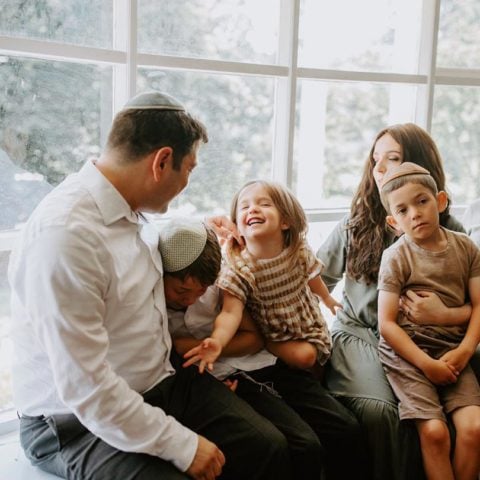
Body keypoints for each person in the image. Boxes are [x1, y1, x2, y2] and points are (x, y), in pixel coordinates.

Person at [8, 91, 293, 480]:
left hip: (160, 382)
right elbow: (85, 386)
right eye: (189, 169)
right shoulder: (67, 235)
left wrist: (217, 236)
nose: (187, 183)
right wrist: (182, 444)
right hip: (73, 421)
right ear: (161, 162)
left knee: (268, 447)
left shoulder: (132, 212)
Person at [316, 122, 480, 480]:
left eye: (393, 158)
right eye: (376, 160)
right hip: (362, 333)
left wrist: (445, 314)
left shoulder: (452, 232)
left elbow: (475, 307)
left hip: (437, 337)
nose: (381, 169)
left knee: (464, 417)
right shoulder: (355, 224)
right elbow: (310, 276)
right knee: (384, 411)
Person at [160, 217, 368, 480]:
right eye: (182, 292)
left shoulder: (215, 283)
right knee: (301, 444)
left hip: (260, 361)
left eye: (201, 290)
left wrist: (209, 346)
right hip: (224, 380)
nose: (192, 298)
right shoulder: (154, 305)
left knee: (345, 427)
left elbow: (253, 339)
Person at [377, 161, 480, 480]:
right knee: (435, 432)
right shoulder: (396, 257)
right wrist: (425, 363)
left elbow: (479, 304)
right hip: (409, 355)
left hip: (454, 351)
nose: (415, 214)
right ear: (394, 221)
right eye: (403, 210)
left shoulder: (465, 247)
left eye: (422, 202)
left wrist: (464, 351)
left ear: (440, 201)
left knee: (474, 429)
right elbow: (387, 324)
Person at [184, 179, 341, 375]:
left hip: (307, 322)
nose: (252, 210)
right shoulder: (238, 269)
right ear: (237, 227)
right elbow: (230, 313)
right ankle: (267, 345)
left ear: (285, 221)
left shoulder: (296, 250)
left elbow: (312, 277)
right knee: (306, 358)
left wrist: (326, 299)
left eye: (264, 204)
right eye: (244, 207)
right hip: (273, 333)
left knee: (320, 366)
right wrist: (217, 340)